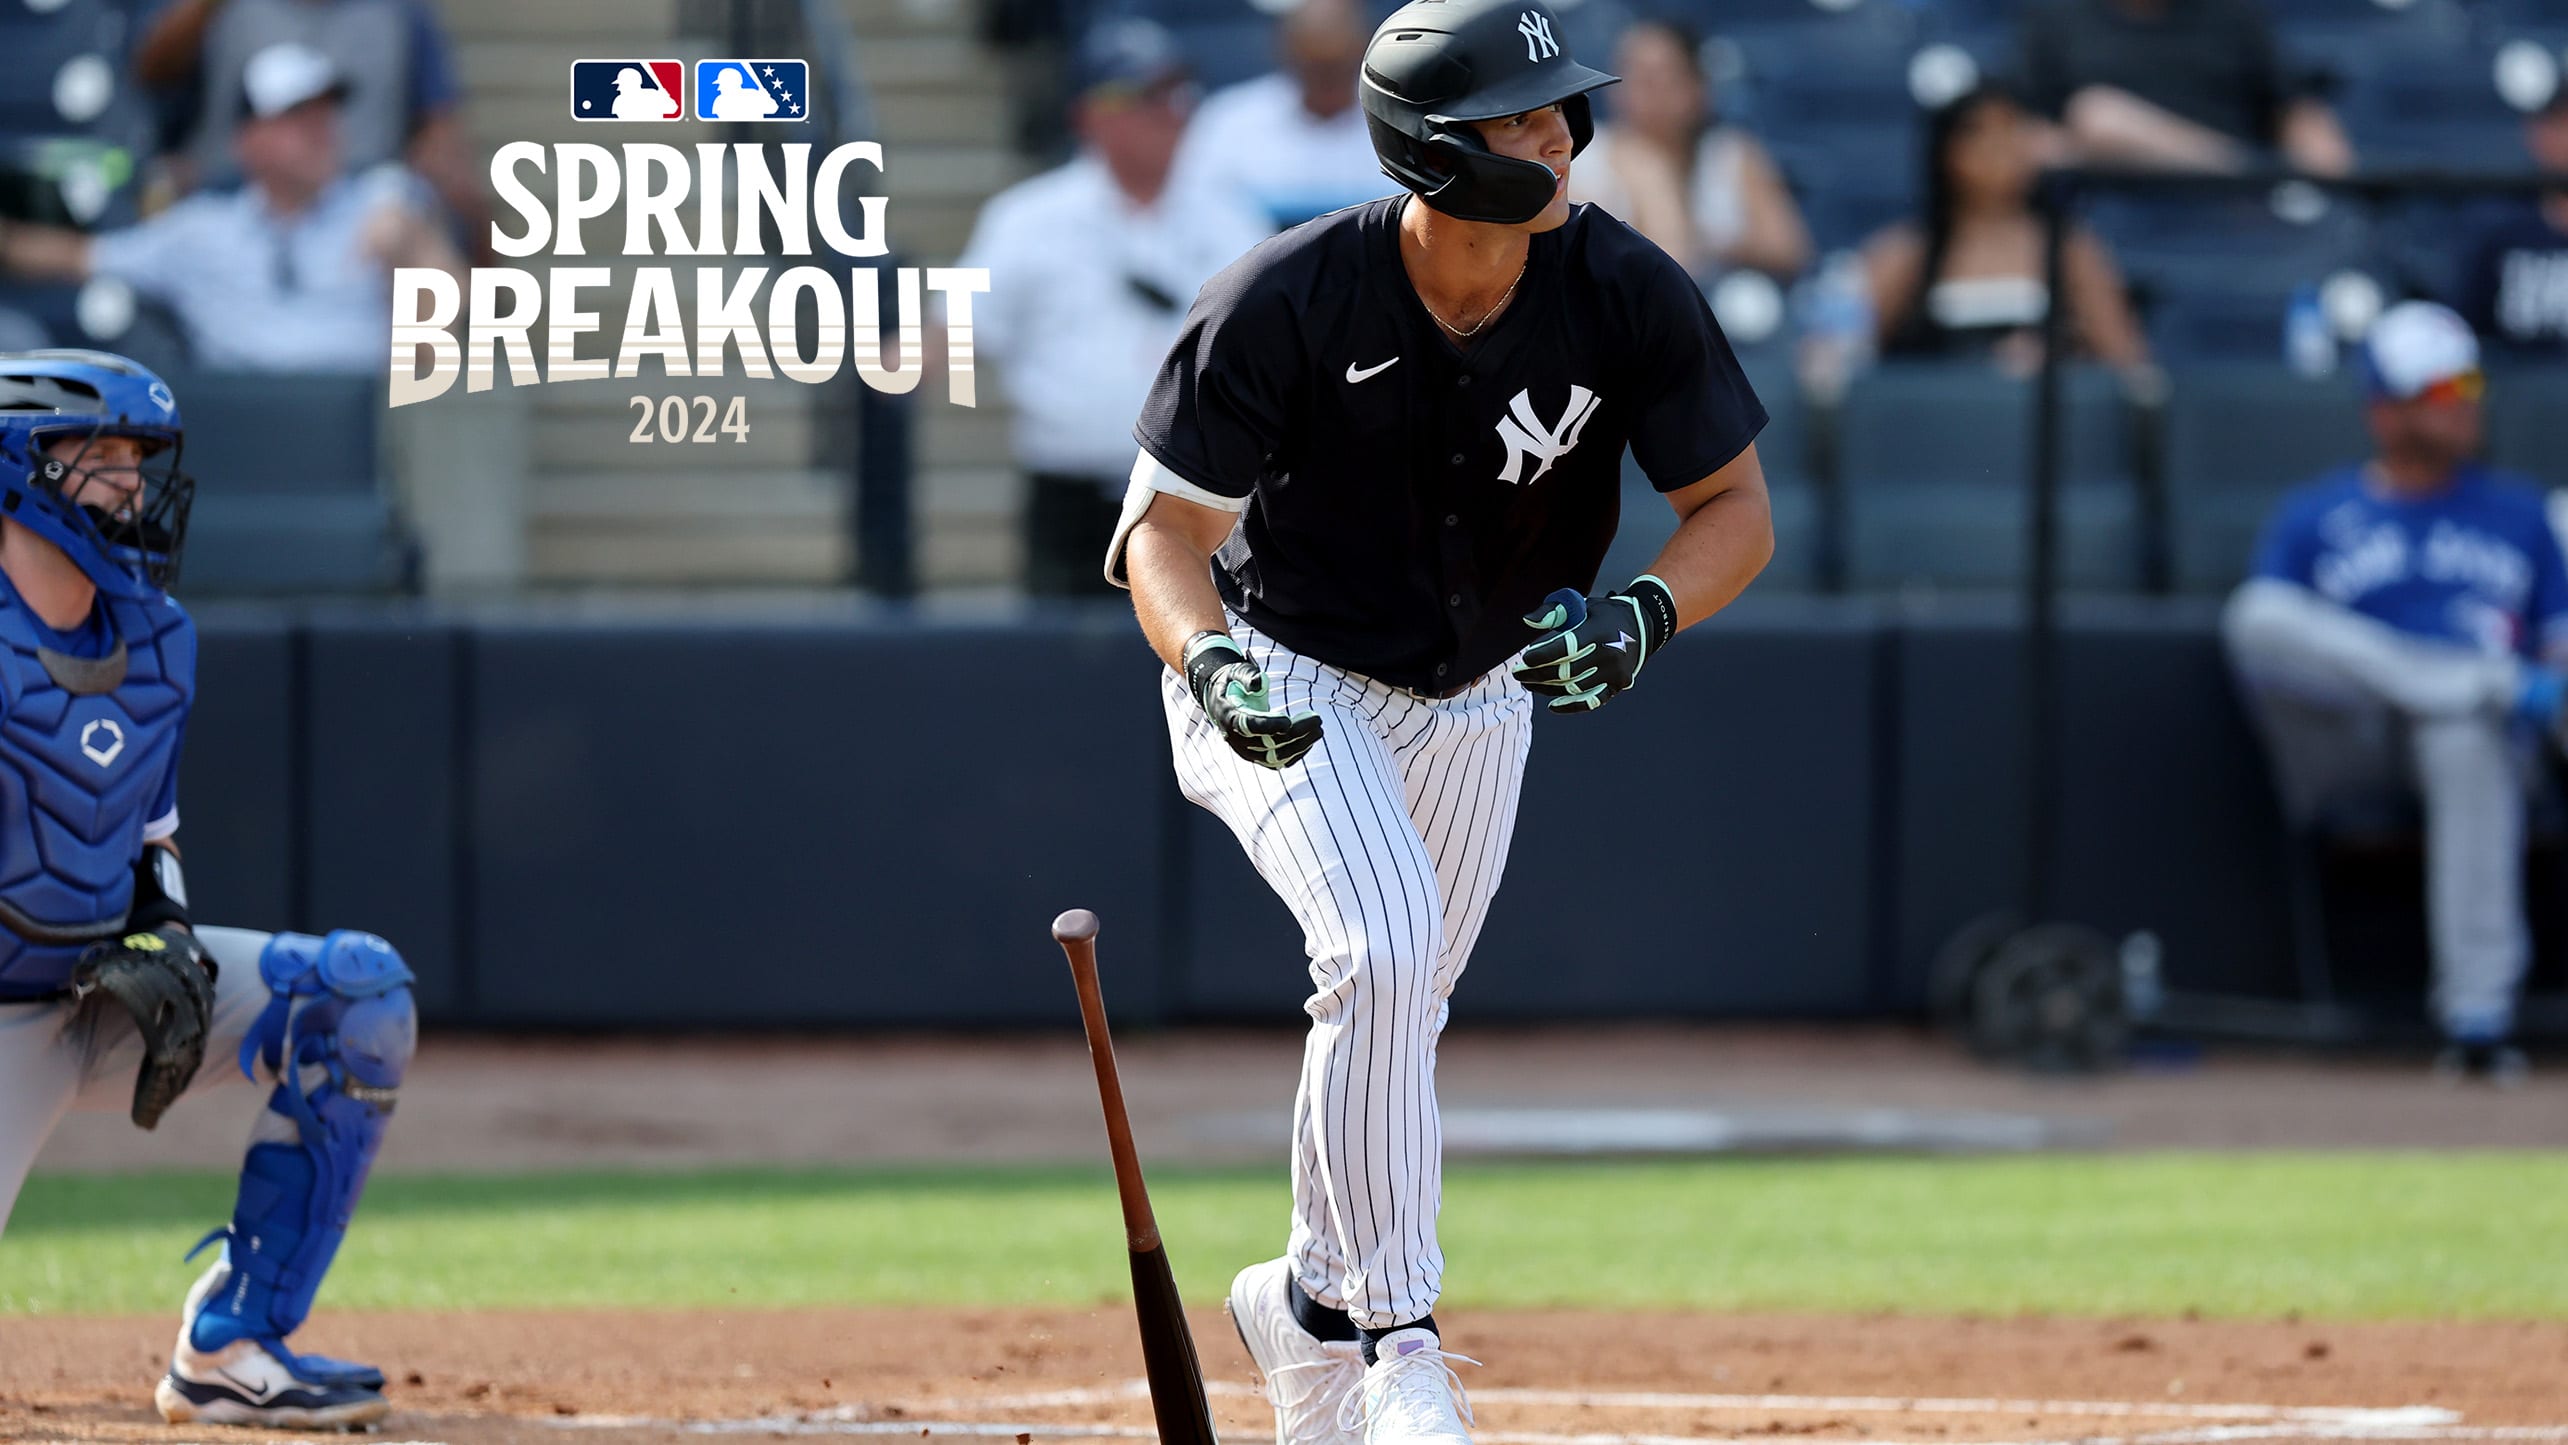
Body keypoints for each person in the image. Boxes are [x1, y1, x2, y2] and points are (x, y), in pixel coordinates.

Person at [1110, 0, 1771, 1438]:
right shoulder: (1283, 297)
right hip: (1282, 668)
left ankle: (1302, 1304)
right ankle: (1397, 1337)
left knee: (1396, 1001)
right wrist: (1215, 672)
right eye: (1519, 119)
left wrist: (1642, 617)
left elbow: (1733, 512)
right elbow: (1163, 538)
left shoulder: (1624, 287)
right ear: (1431, 148)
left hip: (1477, 692)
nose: (1557, 136)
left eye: (1559, 110)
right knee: (1382, 947)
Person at [0, 350, 415, 1427]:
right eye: (103, 457)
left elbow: (150, 832)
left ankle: (233, 1342)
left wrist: (165, 932)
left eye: (140, 459)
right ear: (19, 467)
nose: (132, 484)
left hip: (92, 991)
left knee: (359, 994)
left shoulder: (157, 636)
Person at [2224, 302, 2568, 1086]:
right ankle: (2463, 684)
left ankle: (2477, 1020)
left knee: (2460, 732)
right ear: (2387, 409)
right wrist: (2462, 680)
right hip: (2350, 736)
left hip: (2486, 746)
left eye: (2470, 383)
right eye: (2444, 389)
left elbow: (2559, 656)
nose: (2467, 401)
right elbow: (2272, 643)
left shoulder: (2522, 512)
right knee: (2257, 612)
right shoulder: (2316, 514)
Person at [960, 19, 1268, 596]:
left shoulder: (1229, 218)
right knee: (1057, 664)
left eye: (1175, 95)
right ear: (1091, 115)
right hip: (1069, 496)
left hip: (1196, 496)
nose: (1168, 113)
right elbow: (961, 329)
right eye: (1146, 97)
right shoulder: (1028, 219)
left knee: (1196, 658)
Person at [0, 43, 463, 374]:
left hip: (369, 443)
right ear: (249, 140)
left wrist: (416, 244)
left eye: (326, 113)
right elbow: (74, 255)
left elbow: (457, 338)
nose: (321, 130)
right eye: (298, 117)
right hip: (241, 444)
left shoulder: (387, 202)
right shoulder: (201, 232)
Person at [131, 0, 488, 258]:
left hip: (361, 205)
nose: (316, 128)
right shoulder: (218, 13)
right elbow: (148, 74)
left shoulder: (400, 12)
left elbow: (441, 135)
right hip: (230, 198)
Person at [1861, 84, 2150, 375]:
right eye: (1980, 133)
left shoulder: (2070, 250)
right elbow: (1843, 366)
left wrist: (2066, 352)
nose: (2003, 147)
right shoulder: (1906, 254)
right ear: (1946, 153)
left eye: (2014, 129)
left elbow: (2130, 370)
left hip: (2044, 417)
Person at [1567, 17, 1810, 281]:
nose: (1640, 92)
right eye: (1628, 74)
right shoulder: (1583, 153)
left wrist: (1719, 246)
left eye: (1657, 77)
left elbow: (1789, 249)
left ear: (1697, 87)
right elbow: (1668, 266)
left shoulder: (1731, 153)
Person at [2016, 0, 2353, 176]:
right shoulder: (2056, 18)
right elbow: (2030, 127)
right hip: (2104, 201)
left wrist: (2323, 165)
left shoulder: (2234, 14)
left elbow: (2294, 109)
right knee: (2098, 114)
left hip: (2229, 208)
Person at [1170, 0, 1389, 232]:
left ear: (1364, 51)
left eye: (1337, 68)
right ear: (1287, 51)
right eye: (1313, 68)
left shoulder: (1402, 122)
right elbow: (1192, 219)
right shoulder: (1229, 121)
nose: (1326, 81)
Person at [2455, 88, 2568, 356]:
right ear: (2536, 133)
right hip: (2514, 392)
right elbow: (2469, 336)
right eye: (2560, 124)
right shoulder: (2499, 231)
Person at [708, 65, 779, 122]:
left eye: (723, 84)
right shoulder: (720, 100)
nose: (719, 88)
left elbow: (773, 109)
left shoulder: (753, 94)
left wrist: (765, 98)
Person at [612, 66, 681, 122]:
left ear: (632, 83)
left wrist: (665, 98)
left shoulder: (653, 94)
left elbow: (673, 109)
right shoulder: (620, 100)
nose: (618, 88)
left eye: (622, 84)